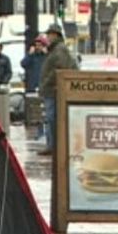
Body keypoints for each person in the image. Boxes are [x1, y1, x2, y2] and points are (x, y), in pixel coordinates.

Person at [37, 23, 77, 155]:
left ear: (55, 35)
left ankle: (52, 145)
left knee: (51, 117)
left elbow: (58, 70)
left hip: (53, 90)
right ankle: (51, 144)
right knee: (50, 118)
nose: (47, 37)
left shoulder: (59, 50)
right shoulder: (55, 49)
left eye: (49, 34)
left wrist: (46, 83)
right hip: (52, 89)